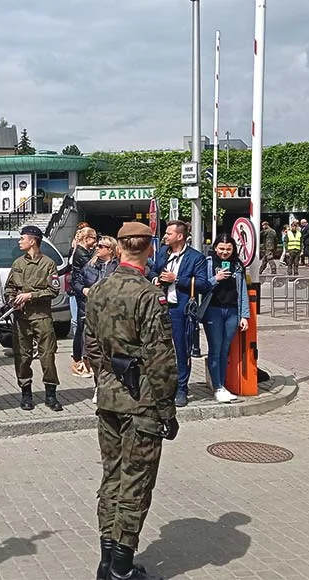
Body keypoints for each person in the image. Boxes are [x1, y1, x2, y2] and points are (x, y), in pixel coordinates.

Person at [83, 221, 178, 580]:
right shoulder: (148, 295)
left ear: (120, 248)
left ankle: (107, 560)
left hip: (108, 396)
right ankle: (121, 567)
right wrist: (167, 409)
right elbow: (160, 358)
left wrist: (105, 376)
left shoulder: (101, 289)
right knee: (136, 482)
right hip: (142, 403)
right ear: (149, 250)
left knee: (112, 476)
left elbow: (90, 343)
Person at [147, 220, 211, 408]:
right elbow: (152, 271)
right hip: (161, 308)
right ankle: (163, 387)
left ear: (180, 236)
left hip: (181, 310)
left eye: (169, 233)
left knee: (181, 350)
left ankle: (182, 388)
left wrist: (178, 279)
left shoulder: (195, 258)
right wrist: (156, 279)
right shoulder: (163, 254)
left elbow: (203, 284)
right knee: (159, 348)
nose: (165, 236)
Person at [5, 225, 62, 412]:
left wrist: (30, 295)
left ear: (32, 241)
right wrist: (13, 300)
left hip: (41, 317)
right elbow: (9, 287)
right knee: (22, 356)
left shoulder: (48, 264)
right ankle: (26, 394)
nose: (19, 241)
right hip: (22, 318)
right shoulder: (18, 264)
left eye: (22, 238)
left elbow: (53, 290)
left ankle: (51, 394)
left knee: (47, 356)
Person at [203, 235, 250, 404]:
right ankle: (218, 387)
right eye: (221, 248)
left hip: (232, 311)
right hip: (213, 310)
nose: (224, 252)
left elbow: (242, 290)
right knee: (215, 349)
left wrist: (244, 315)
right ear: (215, 247)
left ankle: (222, 385)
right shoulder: (208, 263)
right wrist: (216, 278)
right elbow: (202, 286)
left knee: (225, 349)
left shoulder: (237, 265)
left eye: (228, 249)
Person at [74, 235, 119, 387]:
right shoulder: (90, 265)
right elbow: (76, 280)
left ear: (110, 250)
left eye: (101, 246)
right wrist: (83, 289)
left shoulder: (117, 267)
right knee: (92, 352)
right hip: (91, 312)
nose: (97, 248)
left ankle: (111, 384)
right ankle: (98, 384)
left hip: (110, 314)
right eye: (97, 245)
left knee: (109, 352)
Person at [68, 226, 98, 377]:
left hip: (81, 291)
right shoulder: (81, 253)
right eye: (94, 239)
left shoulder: (80, 250)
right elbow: (90, 267)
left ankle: (82, 359)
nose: (96, 242)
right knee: (81, 327)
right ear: (87, 239)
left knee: (82, 326)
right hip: (82, 292)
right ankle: (78, 359)